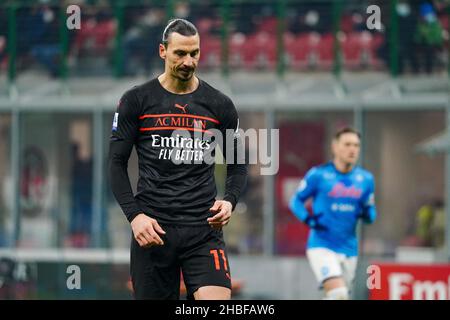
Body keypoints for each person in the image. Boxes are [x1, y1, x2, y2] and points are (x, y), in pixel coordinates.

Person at [108, 18, 247, 300]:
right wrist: (135, 217)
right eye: (180, 53)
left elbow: (237, 164)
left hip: (203, 230)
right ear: (163, 51)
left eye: (194, 53)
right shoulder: (136, 100)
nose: (188, 61)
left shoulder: (220, 104)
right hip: (153, 232)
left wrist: (230, 200)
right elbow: (116, 164)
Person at [289, 127, 376, 300]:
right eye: (347, 144)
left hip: (349, 248)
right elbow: (296, 201)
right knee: (338, 293)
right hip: (322, 245)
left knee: (339, 296)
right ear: (335, 147)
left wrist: (367, 213)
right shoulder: (318, 175)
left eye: (356, 145)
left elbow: (371, 213)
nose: (352, 149)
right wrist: (309, 220)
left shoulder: (366, 179)